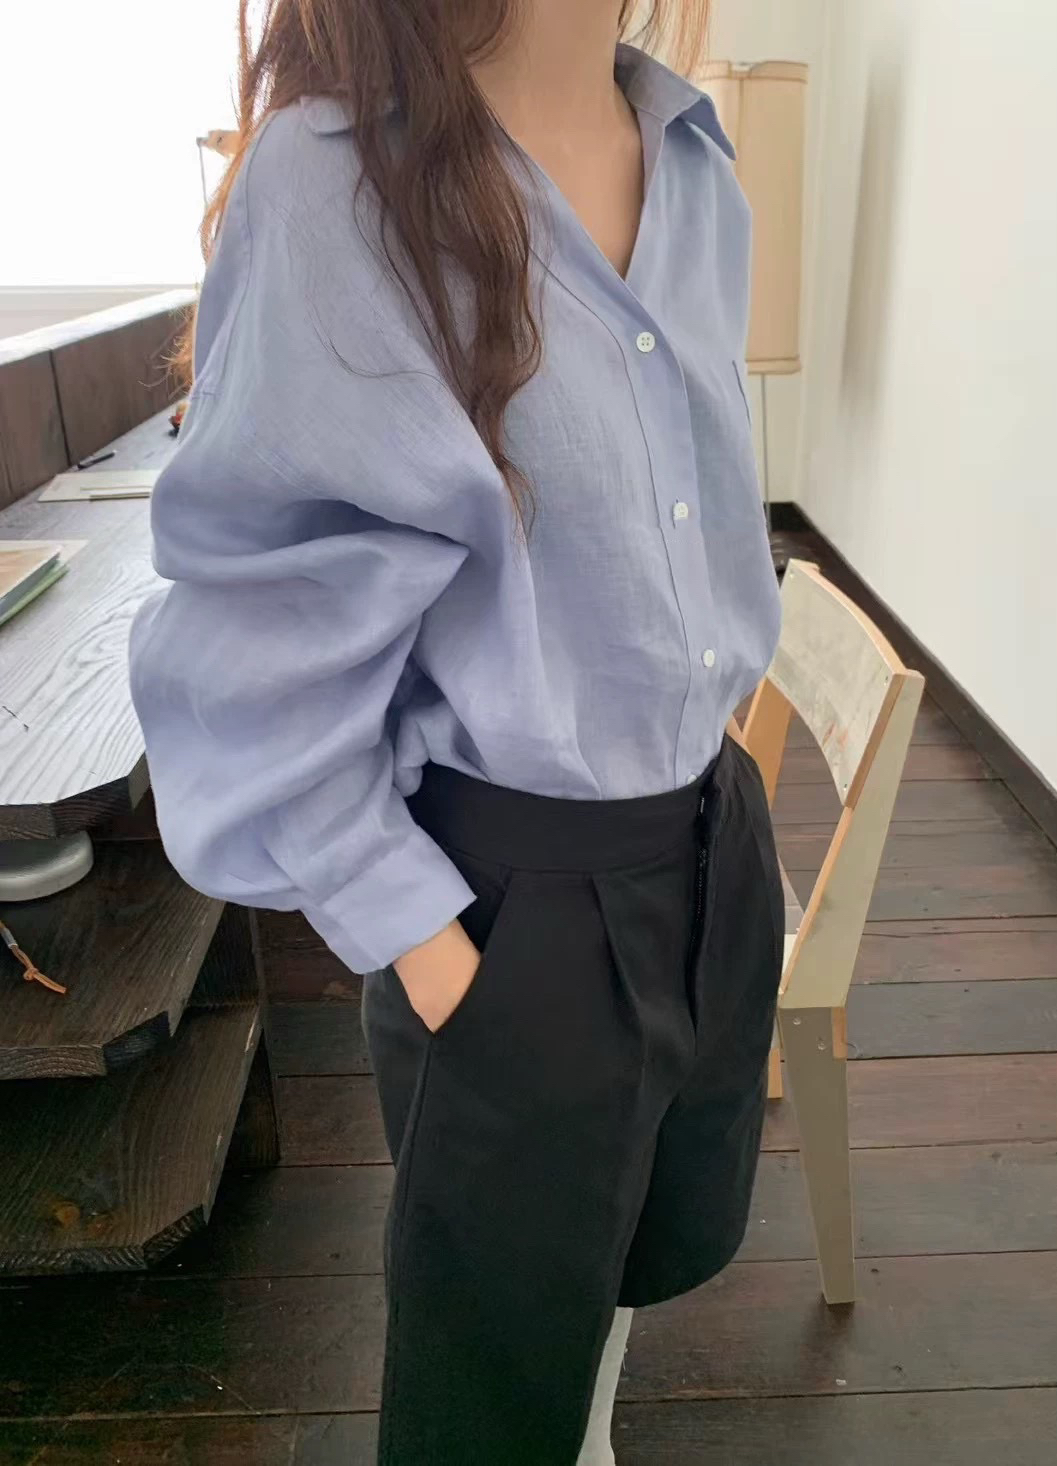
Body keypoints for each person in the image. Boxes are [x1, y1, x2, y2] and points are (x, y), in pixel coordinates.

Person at [129, 1, 786, 1461]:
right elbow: (251, 648)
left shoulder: (693, 159)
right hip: (515, 907)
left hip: (710, 847)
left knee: (625, 1266)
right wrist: (437, 954)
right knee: (488, 1382)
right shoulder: (336, 185)